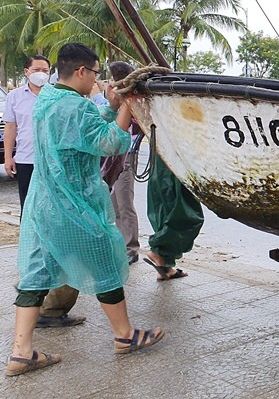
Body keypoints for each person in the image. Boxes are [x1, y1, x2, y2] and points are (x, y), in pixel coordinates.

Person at [5, 43, 164, 377]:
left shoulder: (48, 99)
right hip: (73, 204)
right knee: (105, 261)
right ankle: (125, 335)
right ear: (81, 71)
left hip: (44, 205)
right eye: (94, 72)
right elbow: (109, 142)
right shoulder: (75, 107)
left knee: (37, 274)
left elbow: (83, 133)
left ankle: (21, 352)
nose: (96, 79)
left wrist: (108, 107)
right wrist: (126, 106)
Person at [3, 55, 85, 329]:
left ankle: (40, 283)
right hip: (26, 160)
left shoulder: (53, 96)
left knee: (55, 223)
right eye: (36, 69)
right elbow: (11, 127)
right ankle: (34, 274)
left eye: (45, 70)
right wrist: (8, 156)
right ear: (26, 71)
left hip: (52, 164)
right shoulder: (15, 97)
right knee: (32, 217)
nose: (40, 73)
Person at [100, 62, 143, 265]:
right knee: (114, 204)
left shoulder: (134, 101)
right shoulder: (114, 103)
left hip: (125, 156)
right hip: (112, 157)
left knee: (124, 203)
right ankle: (120, 245)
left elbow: (134, 128)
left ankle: (131, 248)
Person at [142, 154, 204, 280]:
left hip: (163, 165)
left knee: (165, 214)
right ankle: (160, 252)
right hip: (174, 162)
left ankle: (165, 266)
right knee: (186, 216)